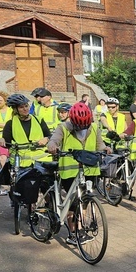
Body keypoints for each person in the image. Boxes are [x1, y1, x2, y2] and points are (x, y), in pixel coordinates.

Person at [47, 102, 108, 245]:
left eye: (84, 125)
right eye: (78, 125)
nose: (82, 128)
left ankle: (80, 229)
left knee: (85, 201)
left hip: (90, 170)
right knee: (73, 203)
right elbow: (54, 140)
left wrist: (106, 149)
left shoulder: (93, 128)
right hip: (70, 172)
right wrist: (52, 146)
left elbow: (100, 145)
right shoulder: (63, 127)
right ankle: (73, 233)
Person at [0, 94, 51, 167]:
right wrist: (1, 140)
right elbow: (7, 144)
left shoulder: (39, 120)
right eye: (21, 107)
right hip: (20, 164)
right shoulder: (10, 124)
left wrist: (46, 139)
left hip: (41, 162)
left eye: (26, 106)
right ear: (15, 109)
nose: (25, 109)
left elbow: (49, 136)